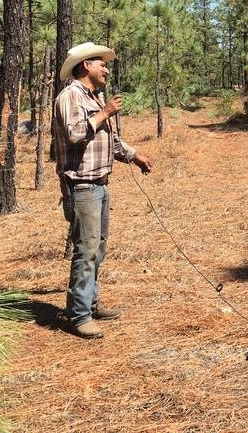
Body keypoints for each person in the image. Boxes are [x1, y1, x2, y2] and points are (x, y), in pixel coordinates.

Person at [53, 41, 153, 339]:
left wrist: (135, 157)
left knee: (98, 248)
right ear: (86, 66)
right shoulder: (71, 96)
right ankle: (79, 315)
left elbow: (110, 141)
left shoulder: (94, 97)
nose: (106, 69)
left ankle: (90, 304)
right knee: (86, 250)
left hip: (99, 184)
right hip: (82, 186)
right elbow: (73, 134)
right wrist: (105, 112)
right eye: (102, 64)